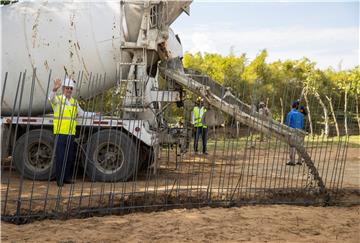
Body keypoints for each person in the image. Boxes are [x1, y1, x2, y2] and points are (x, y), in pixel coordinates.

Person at [48, 78, 98, 187]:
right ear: (63, 89)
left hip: (70, 134)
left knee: (69, 157)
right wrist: (54, 89)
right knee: (60, 157)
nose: (69, 90)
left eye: (71, 88)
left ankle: (66, 178)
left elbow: (82, 113)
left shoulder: (74, 102)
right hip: (60, 133)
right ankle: (59, 180)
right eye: (67, 88)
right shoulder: (58, 99)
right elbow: (50, 98)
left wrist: (94, 114)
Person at [285, 100, 304, 166]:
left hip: (292, 132)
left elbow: (287, 124)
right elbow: (302, 124)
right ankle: (299, 160)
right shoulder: (301, 115)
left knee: (292, 146)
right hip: (300, 132)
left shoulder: (290, 114)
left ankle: (292, 161)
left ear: (292, 106)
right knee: (299, 146)